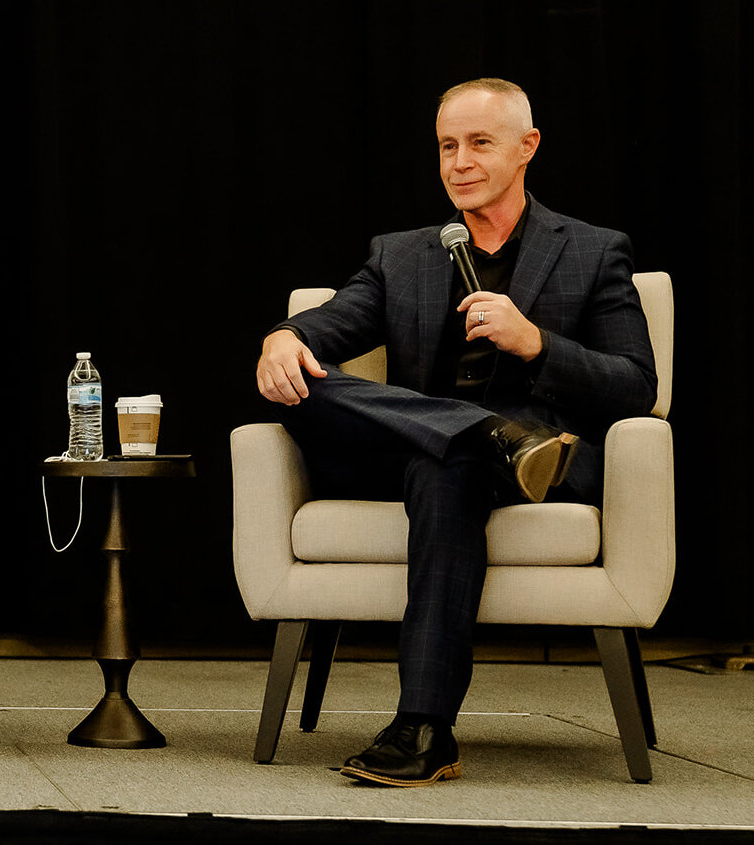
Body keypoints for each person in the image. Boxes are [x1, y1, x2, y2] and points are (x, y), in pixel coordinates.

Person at [254, 79, 656, 786]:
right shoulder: (402, 254)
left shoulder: (594, 251)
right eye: (447, 145)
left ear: (527, 147)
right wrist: (283, 336)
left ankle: (424, 727)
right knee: (302, 381)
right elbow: (333, 324)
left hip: (543, 459)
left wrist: (537, 343)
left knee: (445, 468)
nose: (459, 161)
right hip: (419, 447)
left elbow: (635, 384)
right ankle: (487, 433)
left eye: (478, 143)